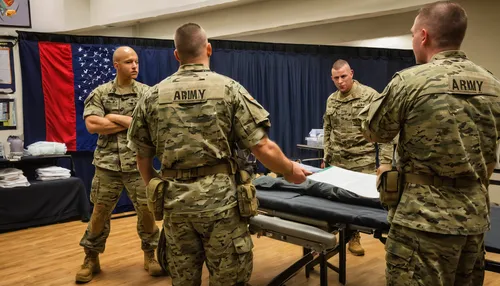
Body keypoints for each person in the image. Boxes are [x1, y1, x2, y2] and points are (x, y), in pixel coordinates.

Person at [127, 23, 311, 286]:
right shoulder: (229, 89)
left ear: (176, 55)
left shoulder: (152, 96)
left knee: (183, 280)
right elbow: (262, 147)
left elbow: (141, 158)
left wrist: (159, 188)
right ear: (209, 49)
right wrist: (290, 170)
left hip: (175, 206)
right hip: (221, 207)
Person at [358, 1, 500, 285]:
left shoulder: (411, 82)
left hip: (422, 221)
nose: (412, 41)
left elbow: (374, 131)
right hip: (473, 219)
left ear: (423, 36)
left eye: (412, 34)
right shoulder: (492, 85)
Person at [75, 46, 163, 283]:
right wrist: (131, 122)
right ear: (116, 65)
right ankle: (90, 258)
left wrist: (112, 117)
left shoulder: (147, 93)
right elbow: (93, 125)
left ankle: (150, 255)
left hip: (138, 165)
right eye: (128, 62)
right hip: (107, 167)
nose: (134, 66)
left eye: (136, 61)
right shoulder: (100, 93)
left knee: (147, 212)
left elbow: (151, 126)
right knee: (99, 214)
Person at [322, 59, 393, 256]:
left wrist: (385, 163)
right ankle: (334, 235)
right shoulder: (332, 99)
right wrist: (326, 155)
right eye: (336, 78)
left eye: (343, 76)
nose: (340, 81)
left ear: (351, 73)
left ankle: (354, 237)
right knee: (334, 201)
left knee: (355, 205)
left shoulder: (370, 96)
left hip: (361, 160)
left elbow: (385, 131)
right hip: (337, 160)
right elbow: (327, 128)